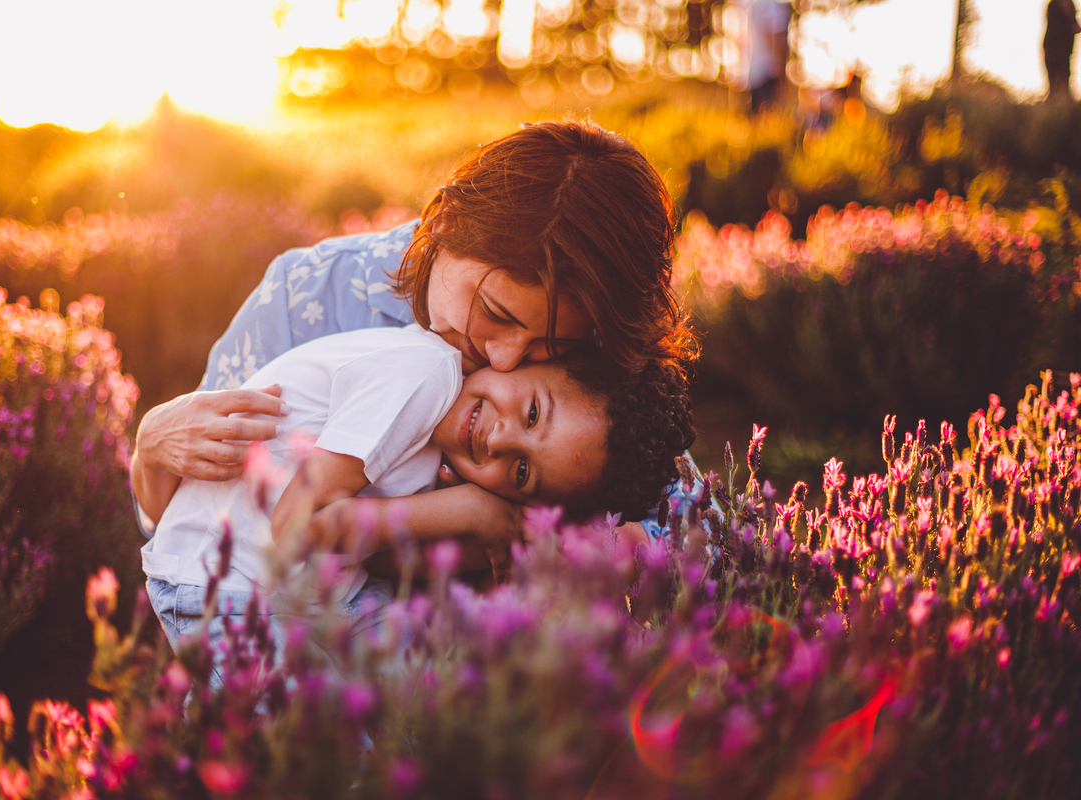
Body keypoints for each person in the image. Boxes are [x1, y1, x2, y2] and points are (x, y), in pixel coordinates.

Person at [130, 119, 700, 569]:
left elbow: (700, 530)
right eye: (495, 312)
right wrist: (149, 449)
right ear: (448, 221)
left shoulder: (592, 335)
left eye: (548, 343)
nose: (503, 356)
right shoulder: (308, 296)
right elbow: (176, 525)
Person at [142, 323, 694, 687]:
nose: (501, 441)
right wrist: (472, 513)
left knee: (419, 724)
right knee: (285, 747)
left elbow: (376, 558)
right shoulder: (425, 375)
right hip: (219, 587)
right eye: (531, 412)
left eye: (521, 471)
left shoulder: (441, 460)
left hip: (306, 596)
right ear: (533, 356)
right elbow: (300, 528)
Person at [1045, 0, 1081, 101]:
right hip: (1056, 50)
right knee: (1057, 83)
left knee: (1062, 82)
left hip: (1063, 51)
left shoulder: (1067, 4)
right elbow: (1071, 27)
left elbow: (1075, 26)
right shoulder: (1055, 5)